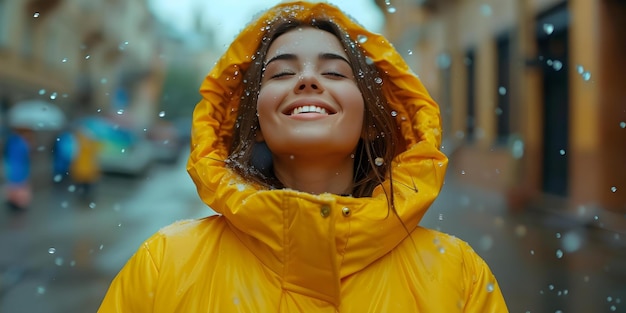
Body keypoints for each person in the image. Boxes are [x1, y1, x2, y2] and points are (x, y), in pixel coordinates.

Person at [98, 2, 508, 312]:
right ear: (254, 121)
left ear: (370, 121)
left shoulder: (459, 276)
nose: (308, 79)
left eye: (334, 73)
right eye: (280, 73)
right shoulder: (164, 264)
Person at [3, 127, 33, 211]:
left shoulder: (10, 141)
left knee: (13, 187)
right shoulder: (22, 143)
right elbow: (26, 157)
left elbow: (7, 155)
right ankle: (19, 205)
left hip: (11, 169)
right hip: (20, 170)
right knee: (20, 189)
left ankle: (13, 203)